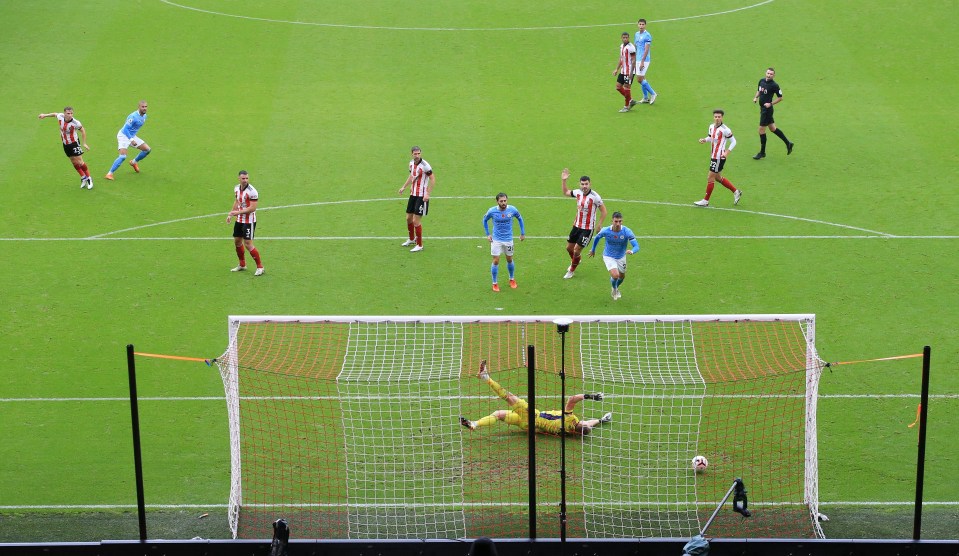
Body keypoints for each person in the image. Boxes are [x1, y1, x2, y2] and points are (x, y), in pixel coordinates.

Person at [460, 360, 612, 436]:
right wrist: (601, 420)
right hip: (528, 427)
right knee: (498, 414)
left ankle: (485, 377)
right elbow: (588, 425)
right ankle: (474, 424)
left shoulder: (569, 419)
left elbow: (572, 399)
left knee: (508, 396)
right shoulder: (570, 432)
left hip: (532, 415)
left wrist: (591, 396)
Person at [561, 168, 607, 279]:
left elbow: (604, 211)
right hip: (576, 226)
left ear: (590, 184)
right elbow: (566, 192)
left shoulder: (595, 197)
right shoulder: (577, 193)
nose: (584, 186)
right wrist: (564, 180)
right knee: (569, 248)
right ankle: (577, 259)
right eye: (582, 184)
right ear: (580, 184)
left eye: (586, 184)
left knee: (576, 250)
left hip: (587, 229)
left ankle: (572, 270)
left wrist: (599, 224)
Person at [694, 110, 743, 207]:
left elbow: (734, 142)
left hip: (719, 157)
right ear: (713, 117)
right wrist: (705, 140)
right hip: (714, 156)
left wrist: (726, 153)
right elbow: (710, 137)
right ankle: (736, 192)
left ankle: (705, 201)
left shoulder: (725, 130)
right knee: (717, 177)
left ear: (722, 117)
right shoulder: (711, 126)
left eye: (719, 117)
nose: (717, 118)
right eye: (715, 117)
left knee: (710, 177)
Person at [589, 211, 639, 300]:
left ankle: (615, 287)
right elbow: (597, 237)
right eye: (616, 221)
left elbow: (636, 246)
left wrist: (632, 251)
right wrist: (593, 249)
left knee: (622, 276)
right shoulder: (606, 230)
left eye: (620, 221)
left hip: (621, 257)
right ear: (612, 221)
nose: (618, 223)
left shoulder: (627, 231)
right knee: (615, 275)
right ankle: (615, 289)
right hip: (609, 256)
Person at [38, 107, 93, 189]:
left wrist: (84, 143)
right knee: (73, 161)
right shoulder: (60, 116)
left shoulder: (75, 123)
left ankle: (89, 178)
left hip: (74, 143)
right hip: (65, 144)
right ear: (64, 113)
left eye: (71, 113)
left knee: (80, 161)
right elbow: (54, 114)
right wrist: (44, 115)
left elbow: (83, 130)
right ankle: (83, 177)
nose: (70, 115)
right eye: (68, 113)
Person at [483, 193, 525, 292]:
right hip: (496, 240)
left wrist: (522, 233)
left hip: (508, 240)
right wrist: (488, 234)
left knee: (509, 259)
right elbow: (484, 220)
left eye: (505, 201)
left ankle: (512, 279)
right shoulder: (492, 211)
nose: (503, 203)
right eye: (501, 201)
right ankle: (495, 283)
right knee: (496, 260)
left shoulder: (512, 210)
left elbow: (520, 218)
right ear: (497, 201)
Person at [226, 170, 265, 276]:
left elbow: (252, 208)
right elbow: (237, 201)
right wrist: (230, 214)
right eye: (243, 178)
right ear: (239, 178)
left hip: (249, 221)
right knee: (237, 242)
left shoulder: (252, 191)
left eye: (247, 178)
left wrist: (237, 212)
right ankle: (242, 264)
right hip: (239, 220)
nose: (245, 180)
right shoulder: (236, 188)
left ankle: (260, 267)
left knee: (248, 244)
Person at [397, 146, 435, 252]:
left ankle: (419, 245)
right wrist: (403, 187)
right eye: (415, 154)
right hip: (413, 194)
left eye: (418, 153)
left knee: (415, 221)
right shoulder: (411, 164)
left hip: (421, 196)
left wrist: (428, 194)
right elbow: (411, 176)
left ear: (421, 153)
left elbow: (433, 179)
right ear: (412, 154)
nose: (417, 155)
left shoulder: (425, 166)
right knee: (408, 218)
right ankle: (411, 239)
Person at [752, 67, 794, 159]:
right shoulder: (761, 81)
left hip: (767, 110)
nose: (769, 75)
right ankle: (788, 143)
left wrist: (770, 104)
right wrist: (755, 97)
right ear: (765, 73)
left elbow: (780, 97)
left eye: (771, 74)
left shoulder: (774, 85)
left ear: (774, 75)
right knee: (773, 128)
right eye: (768, 73)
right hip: (762, 109)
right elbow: (759, 90)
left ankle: (762, 153)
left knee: (761, 130)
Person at [105, 100, 151, 180]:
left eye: (146, 107)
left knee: (147, 150)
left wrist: (132, 138)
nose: (144, 108)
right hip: (123, 136)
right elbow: (126, 129)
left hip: (132, 136)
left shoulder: (144, 116)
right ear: (139, 107)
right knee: (122, 156)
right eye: (143, 107)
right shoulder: (133, 116)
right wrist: (131, 139)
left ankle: (133, 162)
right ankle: (109, 174)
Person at [634, 18, 657, 104]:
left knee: (639, 79)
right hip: (638, 59)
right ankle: (645, 97)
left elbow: (646, 49)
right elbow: (636, 46)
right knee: (642, 77)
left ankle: (653, 93)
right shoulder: (636, 34)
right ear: (637, 25)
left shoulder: (647, 35)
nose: (641, 26)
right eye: (640, 24)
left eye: (643, 24)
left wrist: (642, 61)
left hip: (645, 60)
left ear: (645, 25)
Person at [613, 32, 637, 112]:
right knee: (618, 87)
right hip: (623, 71)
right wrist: (616, 69)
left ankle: (626, 107)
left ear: (629, 38)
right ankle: (630, 100)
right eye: (624, 37)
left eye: (627, 37)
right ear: (621, 38)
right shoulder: (621, 46)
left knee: (627, 88)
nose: (625, 39)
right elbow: (621, 58)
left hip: (629, 71)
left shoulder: (631, 47)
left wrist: (630, 74)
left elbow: (634, 61)